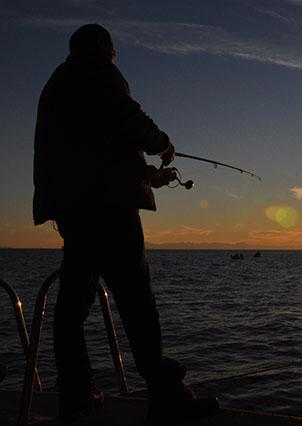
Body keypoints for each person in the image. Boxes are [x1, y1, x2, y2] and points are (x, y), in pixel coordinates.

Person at [33, 24, 218, 421]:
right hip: (108, 210)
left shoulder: (59, 83)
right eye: (113, 52)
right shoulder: (95, 71)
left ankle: (76, 393)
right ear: (103, 48)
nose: (115, 58)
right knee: (137, 301)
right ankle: (167, 396)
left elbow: (93, 148)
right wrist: (163, 143)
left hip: (75, 212)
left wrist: (144, 174)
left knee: (72, 308)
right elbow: (129, 119)